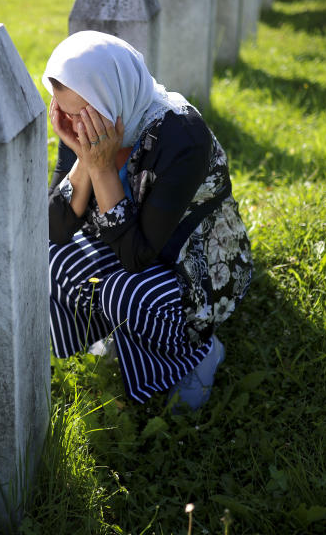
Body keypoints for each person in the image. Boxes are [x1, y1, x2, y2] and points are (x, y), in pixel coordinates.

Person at [44, 31, 253, 412]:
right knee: (51, 259)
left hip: (195, 266)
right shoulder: (83, 127)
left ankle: (198, 354)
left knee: (126, 293)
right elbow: (55, 230)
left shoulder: (179, 135)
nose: (76, 126)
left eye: (84, 115)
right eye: (66, 112)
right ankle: (119, 340)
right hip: (130, 245)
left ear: (114, 95)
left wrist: (102, 167)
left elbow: (138, 258)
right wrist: (82, 159)